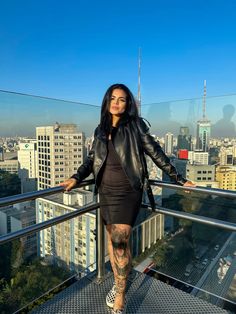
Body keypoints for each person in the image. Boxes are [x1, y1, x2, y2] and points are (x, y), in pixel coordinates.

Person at [60, 83, 195, 314]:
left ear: (128, 103)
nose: (116, 102)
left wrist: (178, 178)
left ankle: (121, 296)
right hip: (105, 191)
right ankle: (117, 283)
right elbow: (91, 160)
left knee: (120, 243)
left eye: (122, 99)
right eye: (113, 98)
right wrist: (75, 177)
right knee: (113, 244)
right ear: (106, 101)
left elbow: (156, 152)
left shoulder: (135, 126)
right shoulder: (99, 129)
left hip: (127, 191)